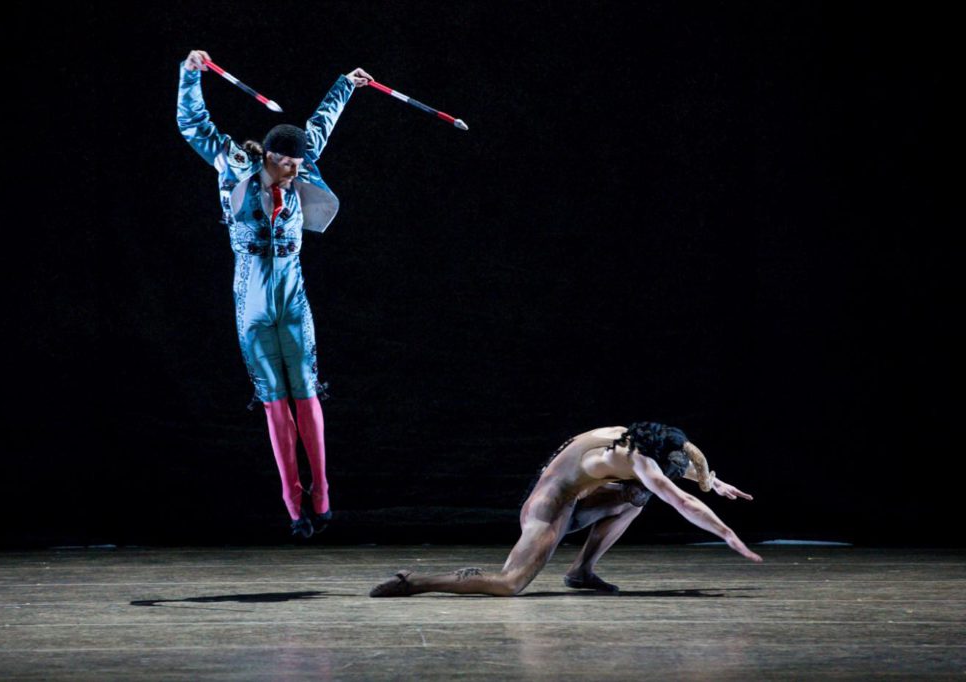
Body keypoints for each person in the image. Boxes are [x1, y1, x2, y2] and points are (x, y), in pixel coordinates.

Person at [177, 49, 373, 538]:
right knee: (273, 399)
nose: (296, 168)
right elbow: (193, 123)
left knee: (306, 392)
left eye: (301, 160)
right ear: (270, 155)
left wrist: (346, 83)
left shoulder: (301, 166)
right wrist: (189, 74)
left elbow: (320, 123)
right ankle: (292, 499)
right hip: (251, 298)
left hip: (291, 293)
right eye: (289, 161)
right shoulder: (235, 166)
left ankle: (321, 490)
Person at [370, 422, 762, 597]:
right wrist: (729, 535)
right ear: (649, 458)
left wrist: (713, 481)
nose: (670, 474)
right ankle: (416, 581)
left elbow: (687, 463)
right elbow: (681, 499)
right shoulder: (641, 462)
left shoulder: (635, 437)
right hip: (548, 507)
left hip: (579, 496)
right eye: (664, 469)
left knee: (636, 497)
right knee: (509, 584)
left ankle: (581, 572)